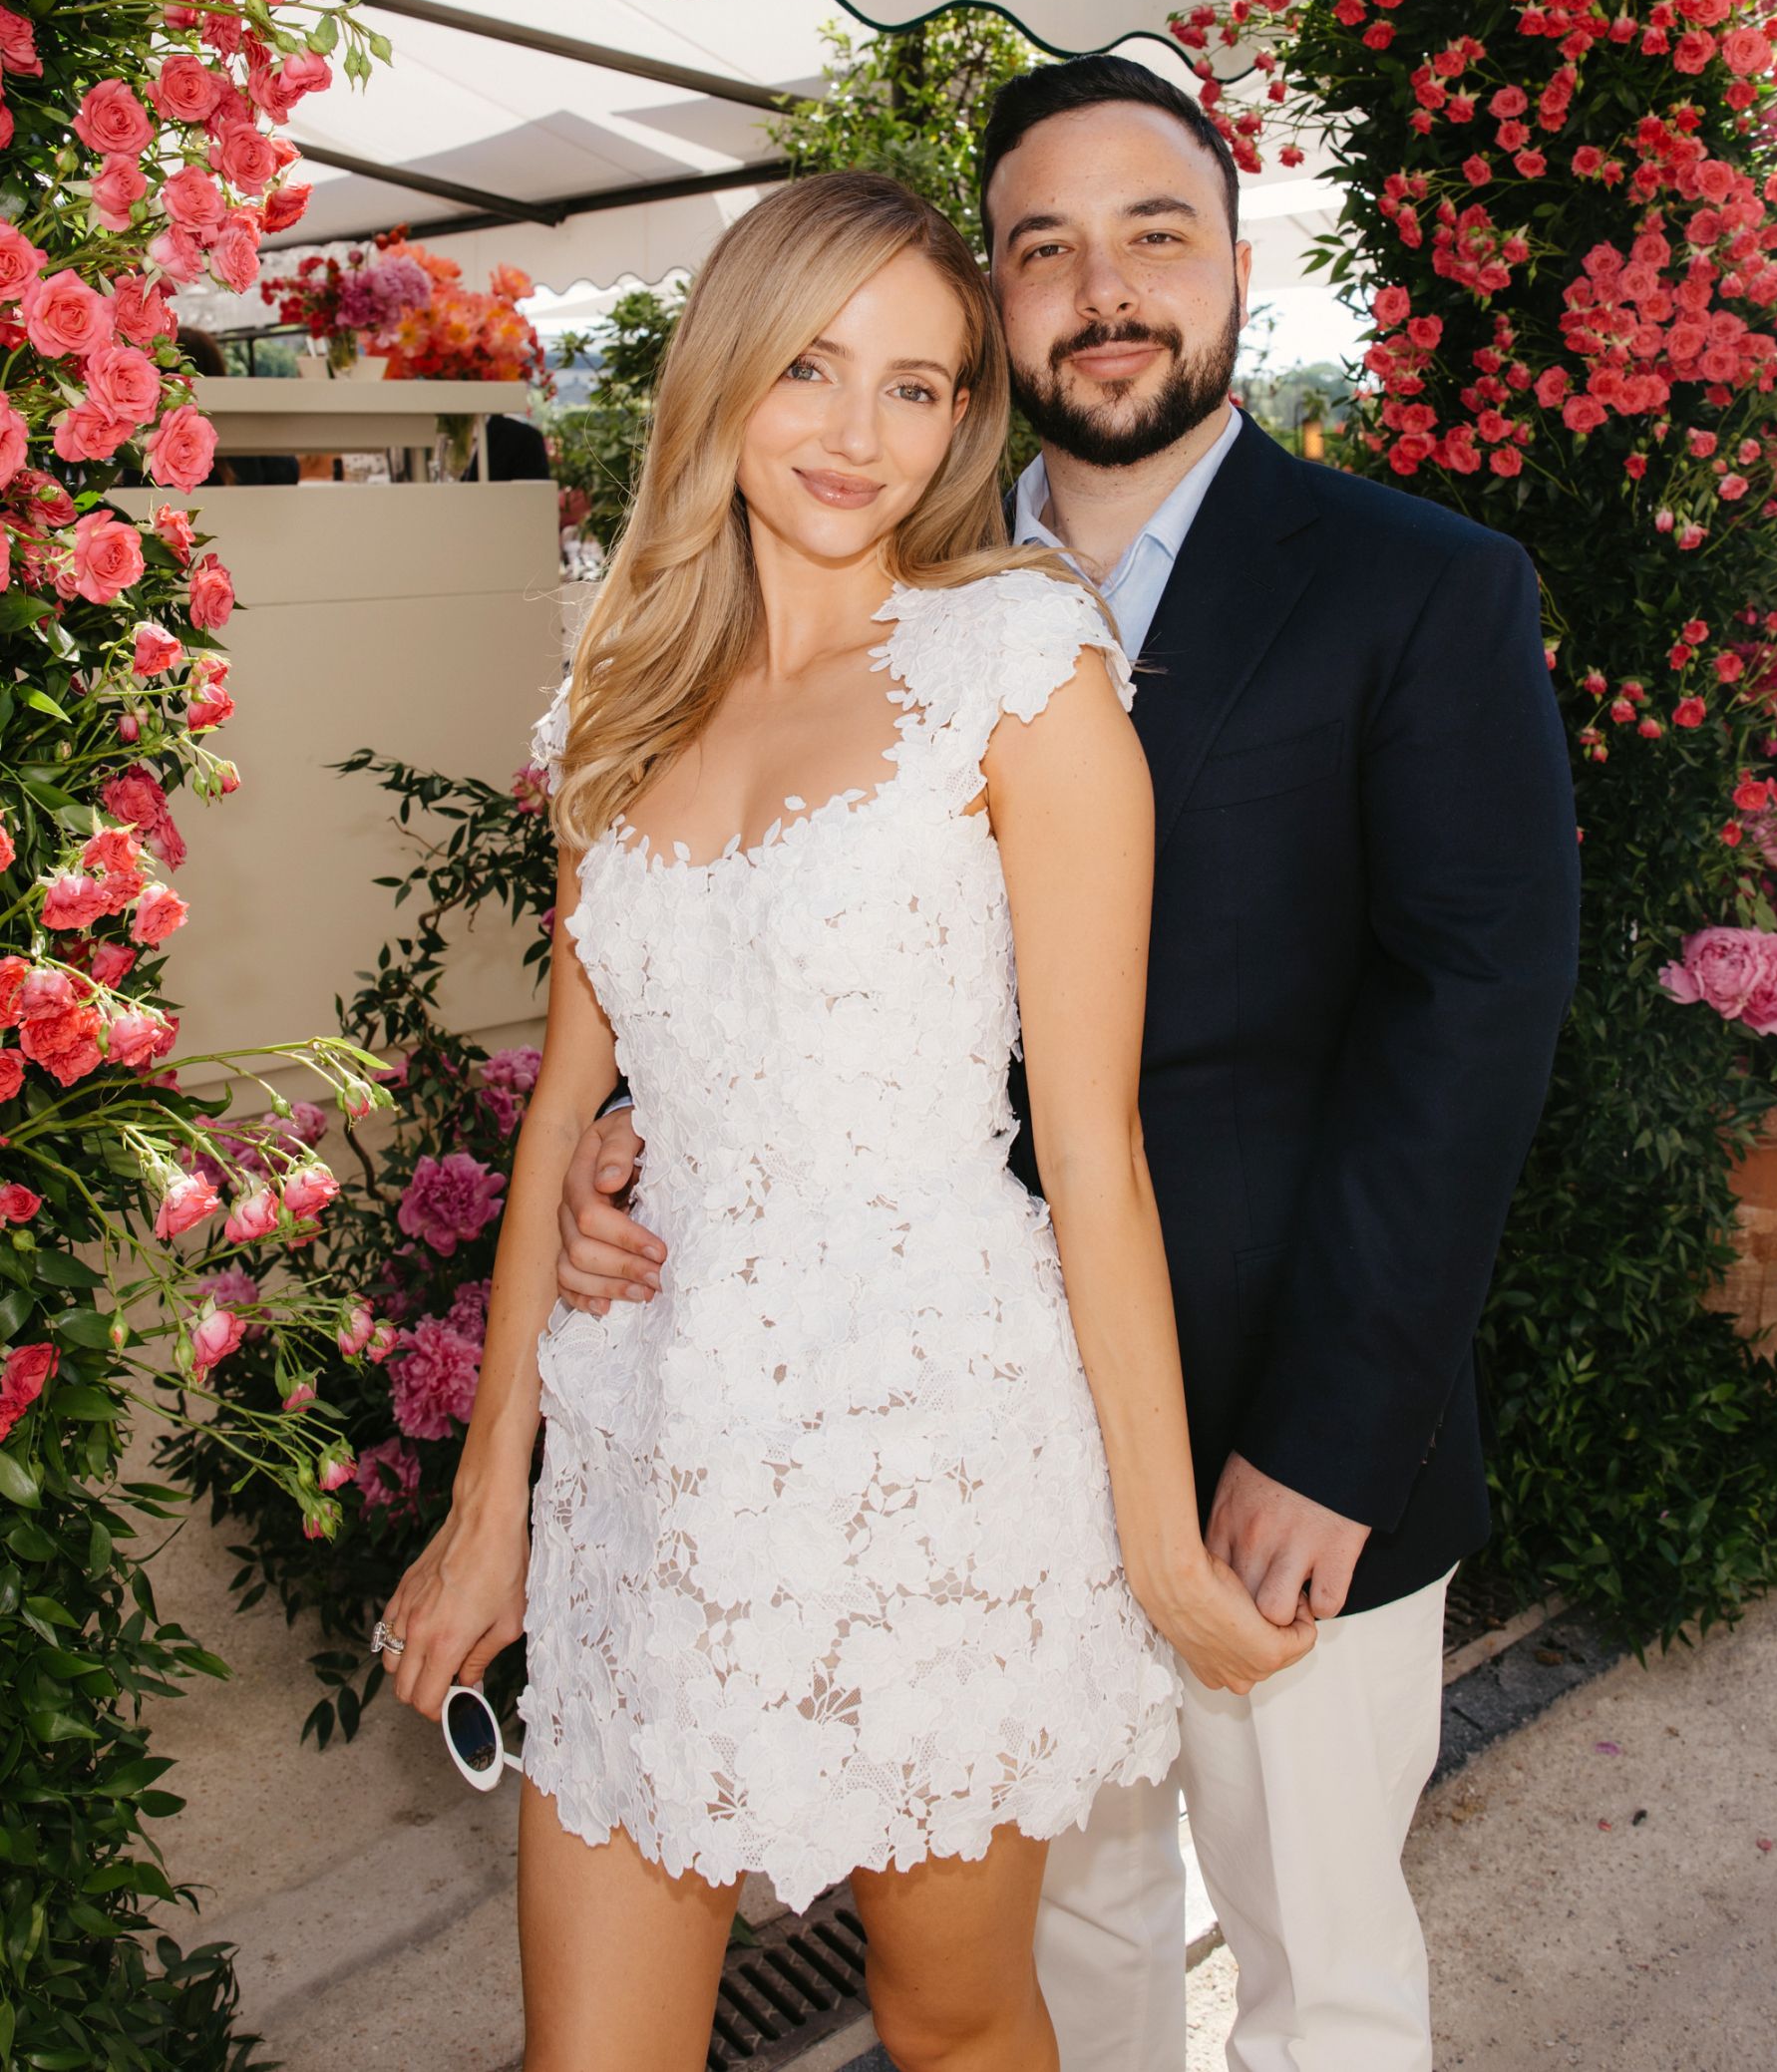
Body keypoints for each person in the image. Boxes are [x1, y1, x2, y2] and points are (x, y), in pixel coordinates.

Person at [557, 62, 1582, 2071]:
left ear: (1236, 270)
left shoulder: (1420, 587)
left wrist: (1330, 1435)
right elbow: (792, 927)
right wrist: (642, 1134)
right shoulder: (896, 597)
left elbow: (1472, 1026)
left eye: (1155, 237)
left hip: (1274, 1432)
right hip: (952, 1469)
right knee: (1056, 1975)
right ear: (995, 310)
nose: (1103, 290)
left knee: (1319, 1976)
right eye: (1047, 250)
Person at [375, 169, 1311, 2072]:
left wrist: (1154, 1555)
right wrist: (491, 1517)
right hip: (649, 1452)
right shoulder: (620, 704)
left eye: (920, 386)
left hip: (932, 1456)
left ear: (967, 419)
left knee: (951, 2022)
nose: (857, 433)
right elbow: (571, 1105)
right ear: (724, 371)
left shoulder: (1020, 675)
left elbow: (1098, 1151)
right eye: (812, 366)